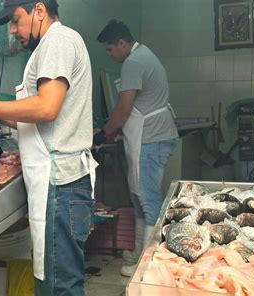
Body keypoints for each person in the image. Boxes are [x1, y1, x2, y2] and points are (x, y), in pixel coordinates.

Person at [0, 1, 98, 295]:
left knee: (60, 286)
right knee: (55, 281)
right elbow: (30, 120)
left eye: (17, 20)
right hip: (58, 184)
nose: (13, 30)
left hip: (60, 184)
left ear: (40, 11)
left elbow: (46, 108)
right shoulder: (49, 48)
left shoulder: (57, 40)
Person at [95, 20, 178, 276]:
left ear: (122, 43)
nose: (110, 55)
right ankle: (142, 251)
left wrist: (105, 132)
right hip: (150, 137)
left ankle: (148, 264)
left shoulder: (134, 61)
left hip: (151, 138)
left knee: (148, 198)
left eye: (110, 49)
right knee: (139, 198)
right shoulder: (144, 55)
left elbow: (123, 108)